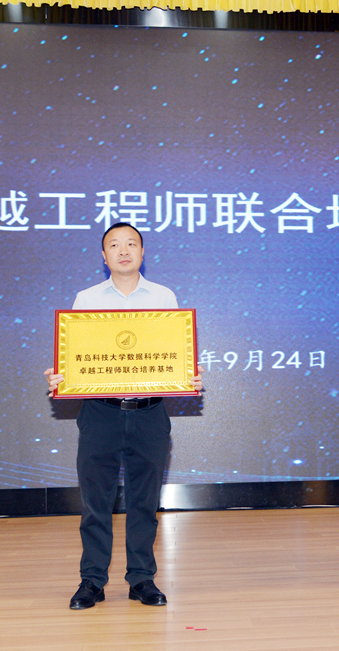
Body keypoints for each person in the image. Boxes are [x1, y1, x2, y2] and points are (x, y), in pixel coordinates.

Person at [44, 222, 203, 610]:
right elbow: (77, 355)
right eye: (114, 245)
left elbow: (172, 351)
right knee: (96, 503)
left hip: (150, 413)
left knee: (144, 503)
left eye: (132, 243)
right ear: (104, 256)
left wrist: (187, 374)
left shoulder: (164, 297)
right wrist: (62, 376)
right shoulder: (86, 299)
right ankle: (92, 581)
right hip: (101, 412)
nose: (124, 250)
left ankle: (142, 579)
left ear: (143, 252)